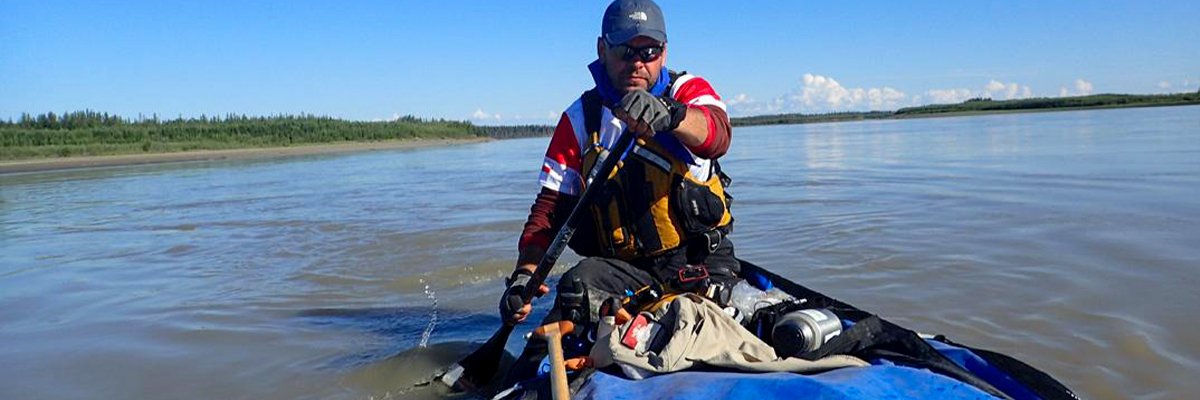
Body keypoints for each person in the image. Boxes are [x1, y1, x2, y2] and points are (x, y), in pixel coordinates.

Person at [500, 0, 738, 381]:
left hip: (697, 265)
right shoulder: (580, 120)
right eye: (626, 50)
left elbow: (717, 134)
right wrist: (525, 274)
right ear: (602, 49)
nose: (638, 62)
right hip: (625, 270)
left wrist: (671, 115)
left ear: (664, 52)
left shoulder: (688, 92)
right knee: (576, 284)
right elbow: (548, 211)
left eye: (650, 51)